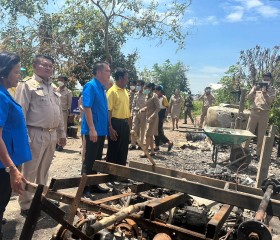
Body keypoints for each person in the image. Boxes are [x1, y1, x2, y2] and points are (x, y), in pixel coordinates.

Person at [15, 54, 66, 216]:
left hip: (51, 135)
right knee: (30, 170)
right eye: (45, 65)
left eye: (51, 66)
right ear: (35, 66)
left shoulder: (52, 88)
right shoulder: (27, 85)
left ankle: (41, 198)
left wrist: (62, 133)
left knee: (44, 170)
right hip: (34, 132)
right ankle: (26, 204)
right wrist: (24, 138)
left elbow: (58, 113)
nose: (48, 68)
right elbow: (20, 113)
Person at [0, 52, 32, 240]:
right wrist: (12, 169)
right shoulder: (1, 97)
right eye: (16, 72)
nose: (19, 76)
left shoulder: (6, 93)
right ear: (4, 73)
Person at [81, 61, 111, 197]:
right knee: (90, 158)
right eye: (107, 71)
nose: (109, 73)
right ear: (99, 72)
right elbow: (87, 107)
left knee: (97, 159)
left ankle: (93, 185)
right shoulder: (91, 86)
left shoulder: (102, 88)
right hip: (93, 130)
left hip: (100, 130)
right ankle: (84, 188)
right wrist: (92, 129)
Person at [244, 72, 276, 158]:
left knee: (261, 134)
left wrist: (265, 93)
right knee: (248, 131)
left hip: (264, 113)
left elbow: (270, 102)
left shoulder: (272, 89)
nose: (265, 80)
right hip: (254, 111)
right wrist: (254, 90)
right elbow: (249, 97)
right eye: (264, 79)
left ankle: (258, 154)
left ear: (270, 80)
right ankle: (244, 150)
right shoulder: (256, 86)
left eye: (267, 79)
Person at [106, 68, 130, 166]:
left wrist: (129, 125)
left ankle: (121, 174)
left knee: (123, 149)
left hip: (124, 123)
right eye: (126, 78)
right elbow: (108, 111)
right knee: (113, 149)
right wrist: (110, 127)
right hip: (115, 123)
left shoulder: (125, 91)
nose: (127, 80)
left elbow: (127, 110)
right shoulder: (112, 92)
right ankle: (110, 174)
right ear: (120, 78)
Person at [139, 82, 160, 157]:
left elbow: (158, 108)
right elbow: (148, 106)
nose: (144, 89)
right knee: (150, 136)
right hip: (149, 118)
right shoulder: (147, 96)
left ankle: (145, 152)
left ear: (150, 88)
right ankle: (152, 151)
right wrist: (143, 109)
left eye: (146, 88)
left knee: (148, 135)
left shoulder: (155, 96)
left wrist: (152, 116)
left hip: (154, 119)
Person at [55, 75, 73, 151]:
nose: (60, 81)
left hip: (63, 112)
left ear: (65, 81)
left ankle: (60, 144)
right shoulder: (55, 90)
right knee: (54, 128)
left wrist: (71, 115)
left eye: (61, 80)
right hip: (55, 112)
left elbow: (71, 104)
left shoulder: (68, 92)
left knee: (63, 128)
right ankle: (55, 143)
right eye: (59, 80)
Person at [154, 85, 173, 152]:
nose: (155, 92)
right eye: (155, 91)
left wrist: (165, 116)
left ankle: (169, 142)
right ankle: (157, 146)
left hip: (161, 114)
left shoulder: (163, 98)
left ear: (159, 91)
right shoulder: (155, 96)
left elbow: (168, 108)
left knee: (159, 131)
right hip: (156, 114)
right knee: (155, 131)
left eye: (156, 91)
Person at [129, 80, 146, 150]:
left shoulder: (146, 93)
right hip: (136, 113)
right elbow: (133, 104)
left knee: (142, 130)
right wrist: (131, 113)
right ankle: (133, 144)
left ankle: (140, 144)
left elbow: (149, 103)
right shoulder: (136, 94)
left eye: (139, 85)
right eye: (137, 85)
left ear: (142, 86)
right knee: (134, 128)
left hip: (143, 113)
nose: (137, 87)